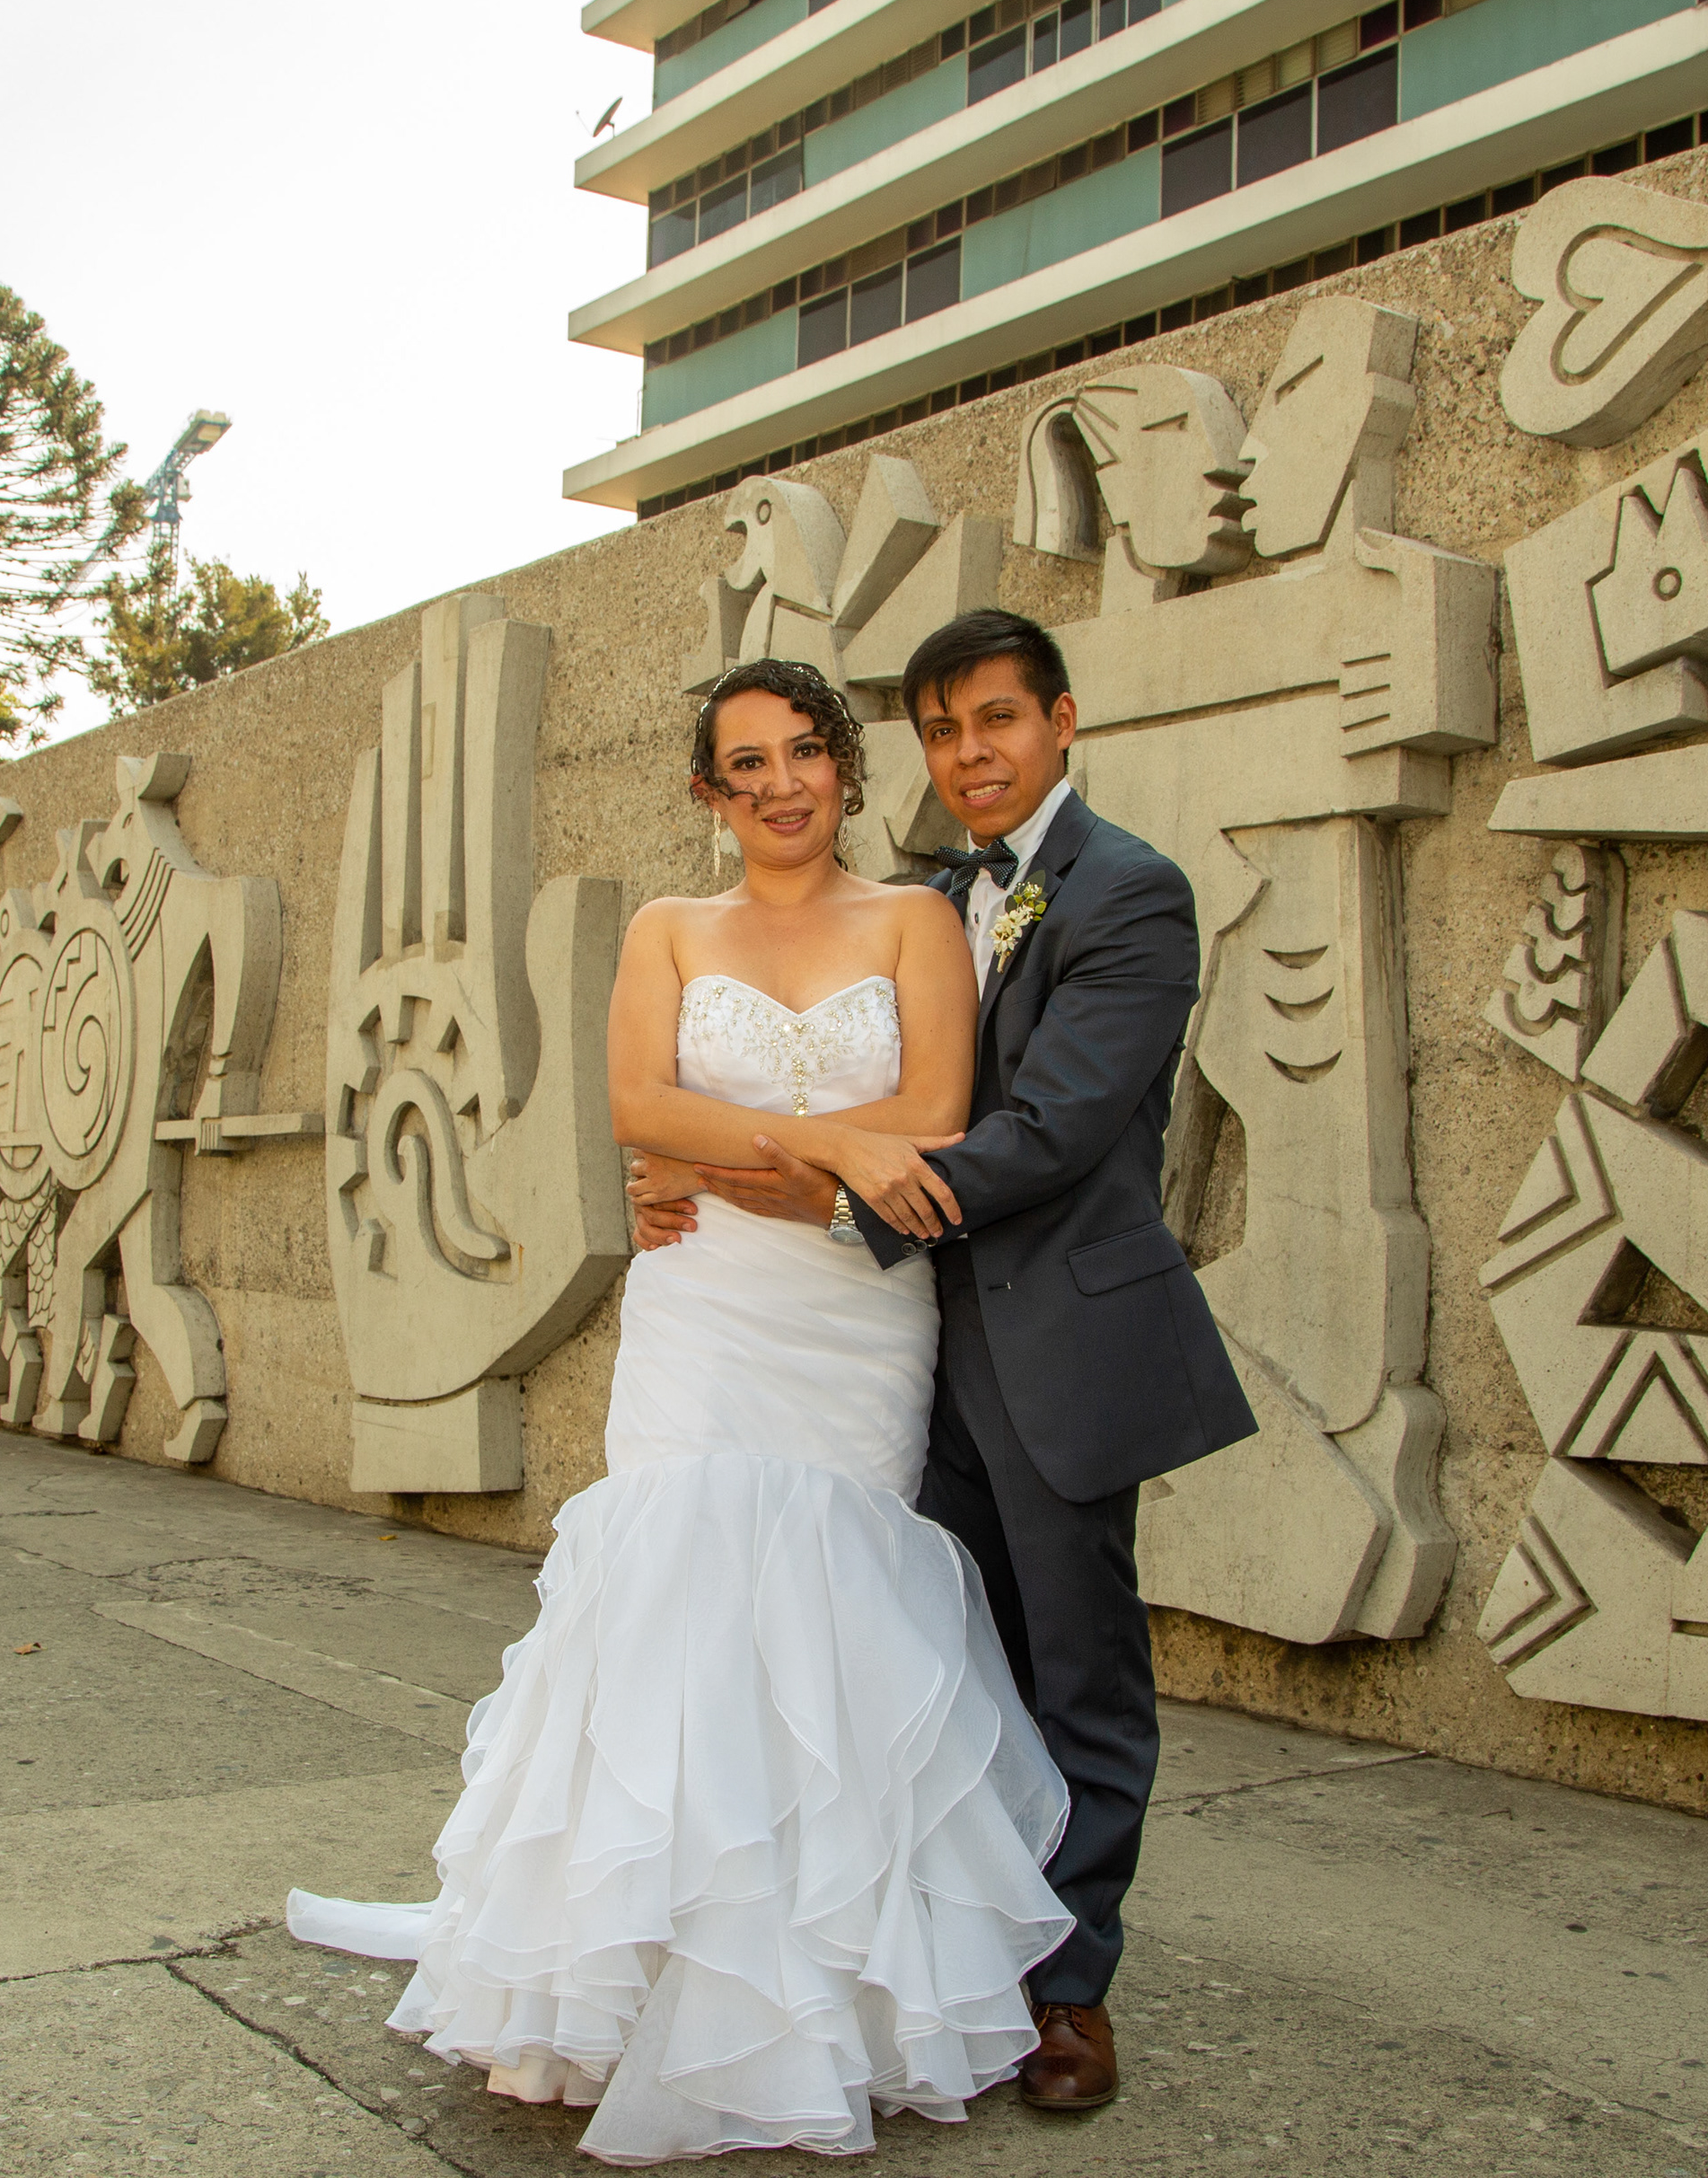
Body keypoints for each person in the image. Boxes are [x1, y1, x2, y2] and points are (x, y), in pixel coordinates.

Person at [288, 657, 1074, 2164]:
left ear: (843, 768)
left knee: (824, 1611)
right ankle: (628, 1975)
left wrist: (721, 1163)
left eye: (804, 752)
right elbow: (637, 1108)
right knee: (672, 1596)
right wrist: (808, 1149)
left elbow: (932, 1129)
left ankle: (810, 1991)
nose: (780, 784)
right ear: (709, 792)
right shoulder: (667, 928)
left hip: (851, 1320)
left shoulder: (915, 922)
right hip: (703, 1308)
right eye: (746, 763)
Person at [632, 609, 1255, 2114]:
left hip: (1051, 1337)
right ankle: (948, 1954)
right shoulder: (928, 893)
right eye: (945, 729)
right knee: (926, 1673)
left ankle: (1072, 1990)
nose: (972, 753)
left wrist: (795, 1187)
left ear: (1062, 721)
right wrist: (695, 1169)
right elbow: (787, 1075)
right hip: (913, 1342)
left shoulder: (1131, 891)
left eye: (1000, 720)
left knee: (1077, 1670)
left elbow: (1049, 1130)